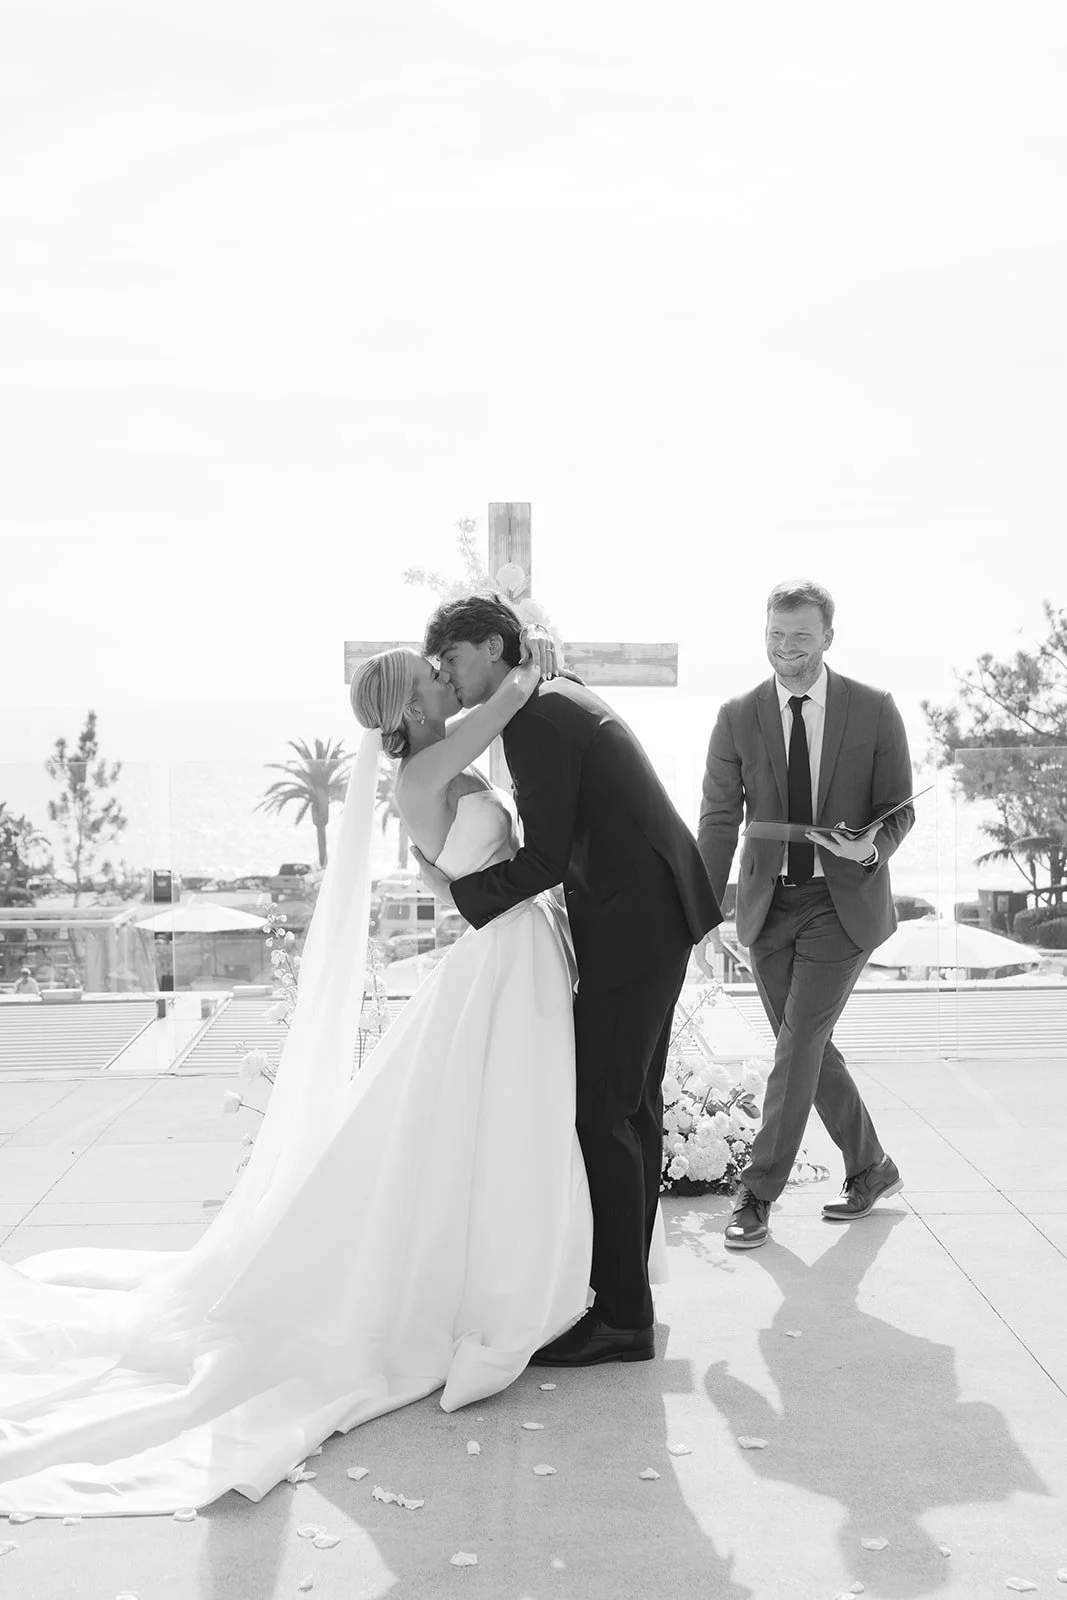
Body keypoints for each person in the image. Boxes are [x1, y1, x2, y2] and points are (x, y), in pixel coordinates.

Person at [0, 632, 592, 1518]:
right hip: (501, 958)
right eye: (432, 675)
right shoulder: (425, 773)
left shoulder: (438, 763)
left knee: (504, 1121)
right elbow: (507, 702)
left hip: (511, 950)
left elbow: (463, 858)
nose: (445, 678)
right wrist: (533, 655)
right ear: (411, 706)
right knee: (506, 1118)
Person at [416, 595, 722, 1366]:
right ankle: (625, 1292)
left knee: (601, 1112)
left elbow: (545, 858)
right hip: (652, 913)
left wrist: (460, 895)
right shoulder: (551, 695)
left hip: (632, 924)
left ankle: (621, 1316)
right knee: (632, 1106)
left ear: (491, 648)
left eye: (452, 659)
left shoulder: (536, 721)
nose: (446, 676)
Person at [697, 579, 914, 1250]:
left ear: (827, 638)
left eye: (799, 635)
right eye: (775, 634)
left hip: (840, 903)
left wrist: (868, 847)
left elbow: (898, 808)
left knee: (796, 1045)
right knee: (807, 1048)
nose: (785, 646)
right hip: (767, 905)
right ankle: (871, 1167)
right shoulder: (737, 714)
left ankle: (757, 1193)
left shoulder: (873, 709)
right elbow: (717, 818)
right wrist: (698, 907)